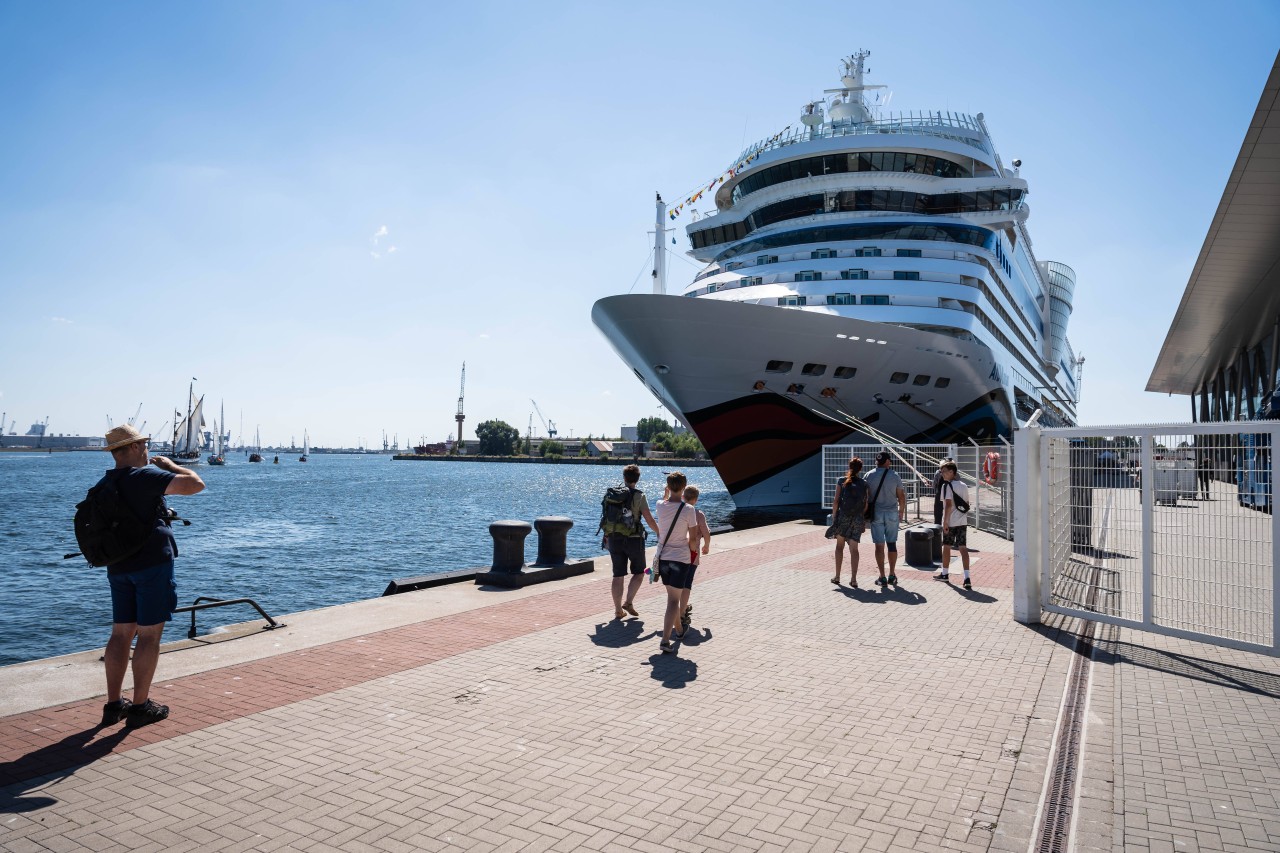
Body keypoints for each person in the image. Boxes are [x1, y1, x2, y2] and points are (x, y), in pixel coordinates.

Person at [95, 424, 205, 728]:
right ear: (131, 448)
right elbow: (195, 484)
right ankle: (141, 706)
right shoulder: (143, 476)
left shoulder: (108, 481)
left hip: (119, 566)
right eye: (144, 444)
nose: (147, 449)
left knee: (120, 634)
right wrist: (171, 466)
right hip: (151, 565)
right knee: (148, 635)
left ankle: (113, 704)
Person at [605, 464, 659, 620]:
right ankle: (628, 602)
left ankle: (617, 610)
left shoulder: (612, 494)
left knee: (618, 575)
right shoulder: (639, 496)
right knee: (639, 572)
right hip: (634, 539)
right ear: (637, 479)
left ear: (624, 478)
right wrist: (659, 532)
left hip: (614, 537)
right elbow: (648, 518)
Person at [654, 472, 699, 653]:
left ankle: (680, 630)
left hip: (663, 558)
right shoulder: (689, 510)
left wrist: (667, 494)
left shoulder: (660, 505)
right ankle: (665, 640)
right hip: (680, 559)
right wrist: (693, 553)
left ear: (668, 486)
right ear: (684, 487)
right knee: (674, 601)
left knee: (671, 598)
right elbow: (693, 539)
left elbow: (664, 500)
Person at [865, 450, 907, 587]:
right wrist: (901, 512)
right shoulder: (895, 476)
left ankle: (882, 576)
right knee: (892, 544)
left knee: (879, 545)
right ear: (887, 461)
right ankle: (892, 574)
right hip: (892, 514)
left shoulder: (868, 475)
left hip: (876, 513)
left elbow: (865, 498)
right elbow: (901, 497)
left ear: (877, 462)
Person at [830, 457, 869, 587]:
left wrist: (835, 516)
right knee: (854, 550)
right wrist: (860, 516)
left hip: (843, 517)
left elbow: (836, 501)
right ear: (861, 469)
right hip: (857, 518)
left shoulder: (841, 481)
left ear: (849, 467)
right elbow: (866, 504)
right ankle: (853, 579)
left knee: (839, 547)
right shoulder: (864, 483)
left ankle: (837, 576)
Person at [679, 485, 712, 634]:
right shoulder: (698, 514)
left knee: (677, 583)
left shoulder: (676, 510)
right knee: (687, 583)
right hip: (692, 554)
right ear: (696, 499)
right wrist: (706, 546)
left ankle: (678, 608)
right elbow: (706, 532)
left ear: (683, 497)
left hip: (675, 553)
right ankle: (682, 612)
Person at [938, 461, 971, 589]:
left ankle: (945, 574)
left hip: (950, 521)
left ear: (952, 472)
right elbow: (967, 503)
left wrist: (945, 522)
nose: (942, 474)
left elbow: (948, 505)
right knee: (963, 547)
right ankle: (967, 577)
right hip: (962, 521)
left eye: (944, 471)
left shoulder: (946, 486)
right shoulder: (963, 485)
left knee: (946, 546)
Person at [931, 458, 952, 525]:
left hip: (939, 494)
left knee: (938, 513)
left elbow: (934, 485)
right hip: (950, 494)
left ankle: (937, 528)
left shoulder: (938, 472)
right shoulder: (954, 473)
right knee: (950, 511)